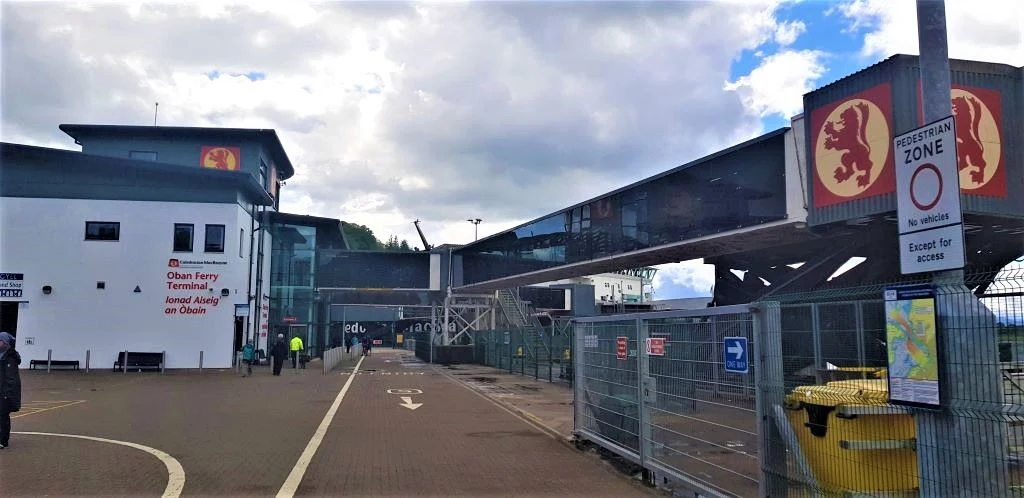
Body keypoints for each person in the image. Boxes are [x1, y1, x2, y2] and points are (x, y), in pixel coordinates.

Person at [0, 332, 22, 450]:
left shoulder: (9, 358)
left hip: (5, 393)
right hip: (1, 390)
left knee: (3, 416)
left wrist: (7, 393)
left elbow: (10, 378)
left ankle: (3, 441)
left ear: (5, 343)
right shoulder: (2, 356)